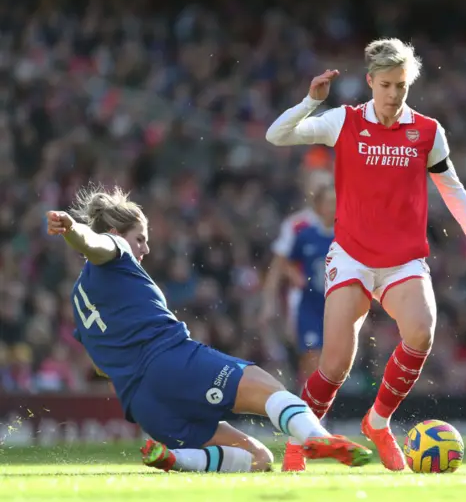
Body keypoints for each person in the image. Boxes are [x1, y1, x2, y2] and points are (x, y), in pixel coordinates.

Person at [266, 37, 466, 472]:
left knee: (421, 331)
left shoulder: (427, 131)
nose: (393, 94)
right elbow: (276, 134)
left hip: (403, 260)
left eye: (401, 85)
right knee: (335, 366)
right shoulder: (341, 121)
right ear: (370, 82)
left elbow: (453, 192)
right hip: (351, 258)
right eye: (385, 85)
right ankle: (297, 443)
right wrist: (311, 100)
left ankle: (377, 422)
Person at [45, 185, 371, 474]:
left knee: (258, 458)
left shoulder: (79, 299)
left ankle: (178, 459)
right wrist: (74, 229)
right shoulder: (116, 249)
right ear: (118, 232)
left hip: (143, 404)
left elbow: (101, 366)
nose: (144, 249)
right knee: (272, 390)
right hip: (173, 362)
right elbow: (95, 243)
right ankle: (318, 438)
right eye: (140, 239)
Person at [285, 185, 336, 384]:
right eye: (329, 202)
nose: (332, 207)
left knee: (332, 358)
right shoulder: (305, 235)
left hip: (335, 306)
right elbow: (288, 261)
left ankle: (322, 404)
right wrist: (295, 275)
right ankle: (312, 403)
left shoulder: (344, 237)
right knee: (311, 354)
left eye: (336, 203)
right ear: (318, 206)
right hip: (310, 305)